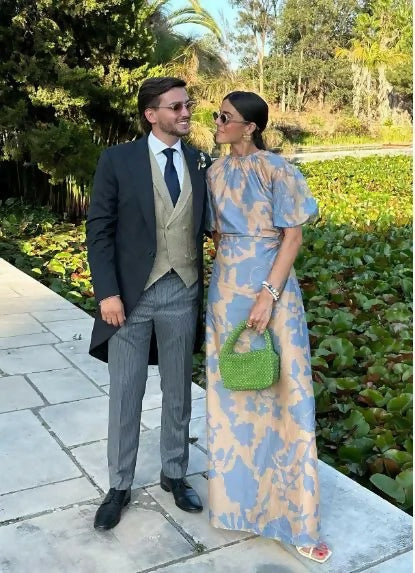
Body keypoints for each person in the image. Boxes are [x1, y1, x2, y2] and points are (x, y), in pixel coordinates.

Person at [205, 91, 332, 564]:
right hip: (226, 292)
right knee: (233, 398)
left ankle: (296, 521)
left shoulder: (278, 170)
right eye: (216, 115)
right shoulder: (214, 172)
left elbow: (292, 237)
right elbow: (216, 233)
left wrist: (268, 294)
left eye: (225, 117)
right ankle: (237, 507)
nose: (217, 122)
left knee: (285, 396)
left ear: (251, 126)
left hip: (272, 289)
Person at [86, 76, 211, 530]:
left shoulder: (200, 161)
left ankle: (174, 473)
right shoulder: (117, 160)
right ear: (151, 114)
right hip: (130, 297)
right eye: (176, 107)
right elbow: (99, 230)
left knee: (178, 390)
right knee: (126, 392)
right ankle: (119, 485)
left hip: (183, 290)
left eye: (187, 105)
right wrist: (107, 293)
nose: (186, 113)